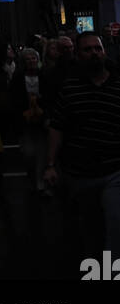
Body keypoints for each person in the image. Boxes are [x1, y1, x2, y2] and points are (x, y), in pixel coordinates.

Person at [45, 30, 120, 259]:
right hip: (80, 172)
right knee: (89, 230)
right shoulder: (71, 88)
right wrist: (50, 163)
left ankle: (109, 272)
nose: (94, 53)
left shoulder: (118, 84)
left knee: (115, 227)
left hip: (114, 168)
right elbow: (57, 126)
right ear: (78, 55)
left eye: (98, 48)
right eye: (88, 49)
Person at [9, 47, 48, 192]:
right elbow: (14, 99)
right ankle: (32, 177)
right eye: (28, 59)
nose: (32, 61)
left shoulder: (43, 76)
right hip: (25, 119)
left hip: (41, 118)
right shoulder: (18, 78)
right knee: (28, 153)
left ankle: (40, 181)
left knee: (42, 152)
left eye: (34, 59)